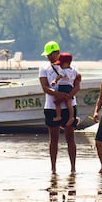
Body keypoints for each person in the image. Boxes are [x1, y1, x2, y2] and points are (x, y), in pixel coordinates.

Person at [39, 41, 81, 174]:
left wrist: (68, 96)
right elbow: (45, 86)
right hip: (52, 106)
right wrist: (58, 94)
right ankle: (53, 168)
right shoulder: (44, 67)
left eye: (51, 55)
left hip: (69, 104)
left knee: (70, 137)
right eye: (47, 55)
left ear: (57, 53)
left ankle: (73, 168)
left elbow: (77, 84)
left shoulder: (72, 66)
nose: (48, 58)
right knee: (54, 138)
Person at [50, 53, 79, 127]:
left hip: (63, 87)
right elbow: (78, 76)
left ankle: (59, 116)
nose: (60, 66)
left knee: (57, 102)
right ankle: (71, 117)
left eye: (61, 64)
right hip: (70, 87)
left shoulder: (64, 71)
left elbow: (59, 76)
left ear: (66, 63)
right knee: (69, 104)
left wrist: (54, 81)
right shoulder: (73, 70)